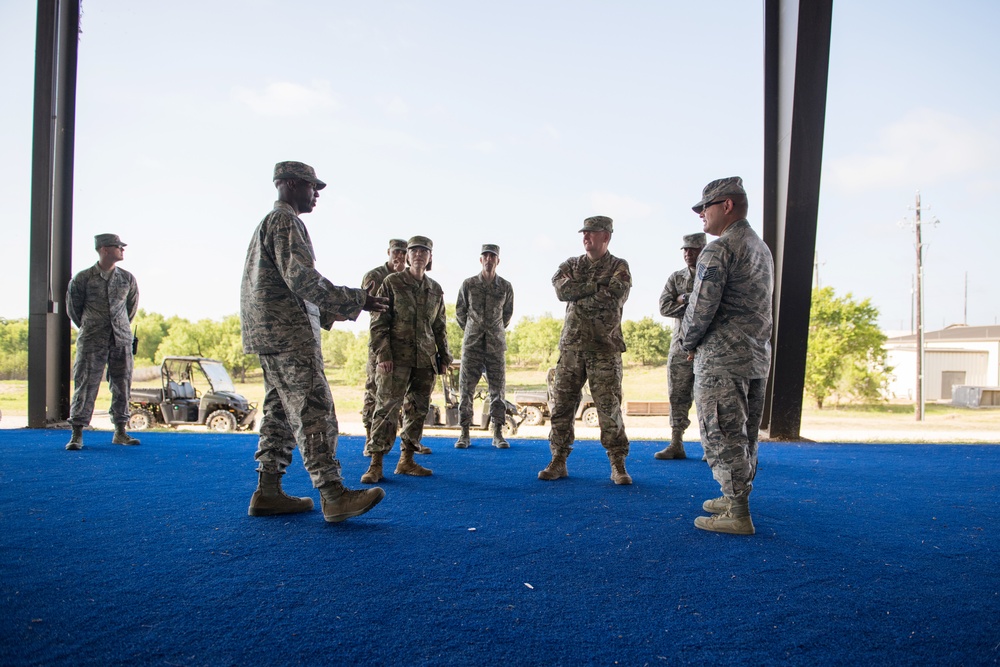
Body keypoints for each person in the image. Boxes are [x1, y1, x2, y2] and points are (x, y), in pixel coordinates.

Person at [241, 160, 388, 523]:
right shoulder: (286, 221)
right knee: (313, 407)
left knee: (279, 410)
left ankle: (269, 490)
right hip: (287, 333)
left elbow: (286, 284)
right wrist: (355, 299)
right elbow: (300, 277)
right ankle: (333, 494)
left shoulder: (271, 223)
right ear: (290, 184)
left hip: (271, 332)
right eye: (312, 186)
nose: (317, 193)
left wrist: (328, 313)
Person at [679, 177, 774, 535]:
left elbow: (701, 306)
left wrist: (688, 343)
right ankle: (735, 493)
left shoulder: (719, 249)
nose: (702, 214)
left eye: (706, 207)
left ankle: (737, 510)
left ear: (727, 206)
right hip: (755, 357)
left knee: (720, 432)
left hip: (722, 360)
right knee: (745, 433)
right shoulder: (760, 248)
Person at [539, 216, 633, 485]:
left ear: (607, 237)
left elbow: (614, 295)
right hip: (571, 348)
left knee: (609, 407)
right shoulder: (571, 264)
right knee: (562, 406)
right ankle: (558, 460)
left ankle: (617, 463)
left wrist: (578, 292)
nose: (586, 237)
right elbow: (561, 290)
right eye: (584, 233)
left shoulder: (619, 266)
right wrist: (594, 287)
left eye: (592, 233)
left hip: (605, 348)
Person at [364, 235, 451, 483]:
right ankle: (376, 464)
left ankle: (407, 460)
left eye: (424, 251)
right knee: (386, 409)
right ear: (407, 255)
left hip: (424, 359)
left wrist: (443, 356)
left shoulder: (434, 289)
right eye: (414, 251)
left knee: (417, 410)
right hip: (395, 359)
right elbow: (378, 322)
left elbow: (439, 326)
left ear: (430, 257)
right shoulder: (392, 282)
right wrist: (383, 354)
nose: (418, 255)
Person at [65, 233, 141, 450]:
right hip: (92, 340)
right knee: (85, 384)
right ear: (104, 249)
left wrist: (120, 328)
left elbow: (130, 309)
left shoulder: (127, 278)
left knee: (122, 384)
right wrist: (92, 327)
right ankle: (77, 433)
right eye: (118, 247)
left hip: (121, 340)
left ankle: (120, 431)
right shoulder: (82, 279)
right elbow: (74, 310)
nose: (122, 250)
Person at [454, 244, 515, 449]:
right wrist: (473, 329)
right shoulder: (469, 284)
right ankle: (464, 433)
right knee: (466, 391)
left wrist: (493, 330)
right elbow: (460, 312)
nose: (489, 259)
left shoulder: (505, 287)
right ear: (480, 260)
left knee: (498, 391)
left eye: (493, 256)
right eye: (485, 256)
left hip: (495, 346)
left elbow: (507, 315)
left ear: (498, 261)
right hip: (472, 345)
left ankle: (498, 433)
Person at [654, 232, 707, 460]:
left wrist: (683, 300)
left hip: (707, 346)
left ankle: (711, 447)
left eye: (693, 250)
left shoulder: (714, 275)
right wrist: (690, 299)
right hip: (680, 347)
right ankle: (676, 443)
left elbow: (713, 306)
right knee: (677, 395)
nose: (688, 253)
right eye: (685, 250)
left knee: (708, 398)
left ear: (703, 250)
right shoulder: (676, 278)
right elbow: (665, 307)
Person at [360, 238, 411, 453]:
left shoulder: (410, 278)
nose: (399, 256)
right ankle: (370, 437)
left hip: (404, 344)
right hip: (381, 342)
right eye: (396, 252)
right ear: (388, 252)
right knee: (374, 388)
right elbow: (369, 306)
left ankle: (407, 441)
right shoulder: (374, 276)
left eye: (402, 252)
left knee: (405, 394)